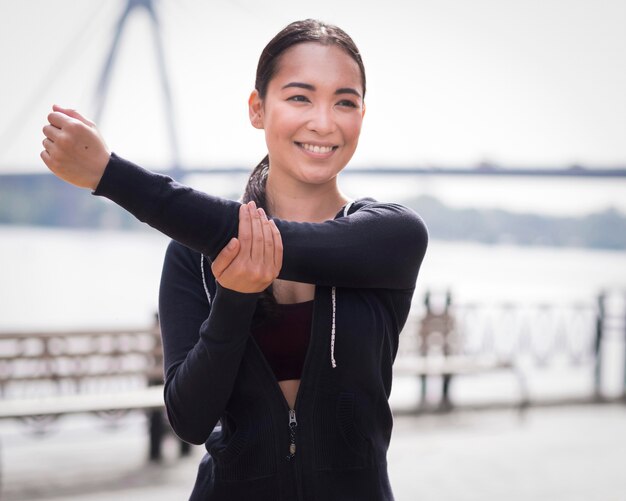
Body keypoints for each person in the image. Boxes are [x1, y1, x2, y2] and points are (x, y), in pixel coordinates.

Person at [41, 19, 428, 501]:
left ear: (362, 116)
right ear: (258, 109)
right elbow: (190, 419)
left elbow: (264, 241)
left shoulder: (391, 237)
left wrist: (110, 175)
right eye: (300, 97)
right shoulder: (191, 255)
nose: (324, 122)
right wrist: (235, 298)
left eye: (344, 102)